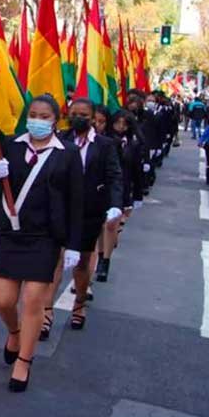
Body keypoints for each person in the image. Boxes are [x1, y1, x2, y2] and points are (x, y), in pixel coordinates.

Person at [0, 95, 82, 392]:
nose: (38, 120)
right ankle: (14, 332)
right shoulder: (10, 146)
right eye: (33, 114)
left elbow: (76, 201)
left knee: (33, 301)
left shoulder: (67, 153)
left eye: (44, 116)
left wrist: (74, 244)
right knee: (4, 300)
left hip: (45, 238)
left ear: (55, 120)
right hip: (11, 235)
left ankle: (24, 361)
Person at [54, 99, 122, 333]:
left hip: (89, 212)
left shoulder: (105, 145)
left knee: (82, 263)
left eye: (83, 114)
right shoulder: (60, 140)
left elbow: (114, 176)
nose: (78, 118)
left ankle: (79, 303)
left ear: (93, 117)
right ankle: (45, 313)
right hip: (61, 210)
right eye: (74, 114)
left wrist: (115, 204)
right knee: (55, 260)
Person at [99, 110, 142, 282]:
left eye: (125, 124)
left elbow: (136, 171)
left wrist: (136, 196)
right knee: (100, 228)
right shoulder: (104, 141)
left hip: (121, 189)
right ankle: (100, 257)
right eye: (118, 123)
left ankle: (105, 262)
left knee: (111, 226)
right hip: (101, 188)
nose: (121, 127)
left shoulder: (133, 143)